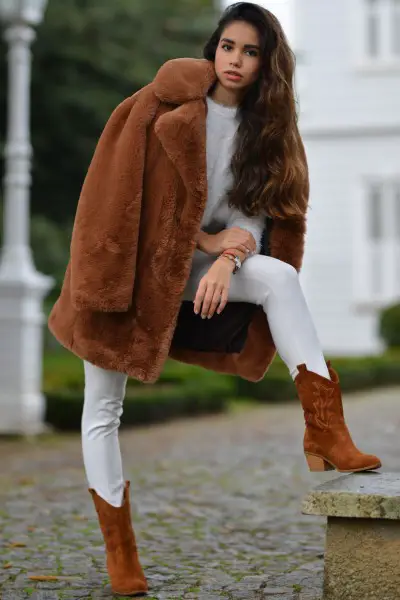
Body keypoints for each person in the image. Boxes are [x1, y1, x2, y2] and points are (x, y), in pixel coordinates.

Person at [48, 2, 381, 596]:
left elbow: (252, 222)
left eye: (251, 52)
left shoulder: (268, 131)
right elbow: (122, 202)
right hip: (132, 270)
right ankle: (120, 551)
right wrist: (203, 241)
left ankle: (324, 429)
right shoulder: (161, 109)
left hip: (203, 271)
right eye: (228, 47)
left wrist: (226, 261)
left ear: (265, 64)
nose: (236, 61)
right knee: (103, 410)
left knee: (277, 276)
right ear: (213, 49)